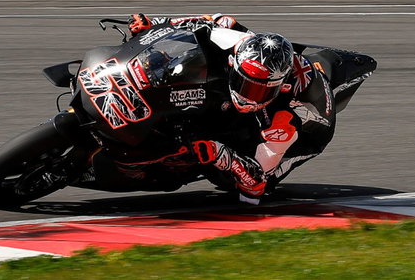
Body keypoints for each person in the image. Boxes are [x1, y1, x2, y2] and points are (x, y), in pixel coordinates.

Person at [122, 13, 345, 204]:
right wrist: (154, 25)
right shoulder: (238, 39)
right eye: (243, 82)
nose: (245, 94)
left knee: (231, 181)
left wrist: (222, 155)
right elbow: (204, 21)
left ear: (280, 87)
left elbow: (255, 187)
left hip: (304, 131)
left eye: (257, 90)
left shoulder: (284, 122)